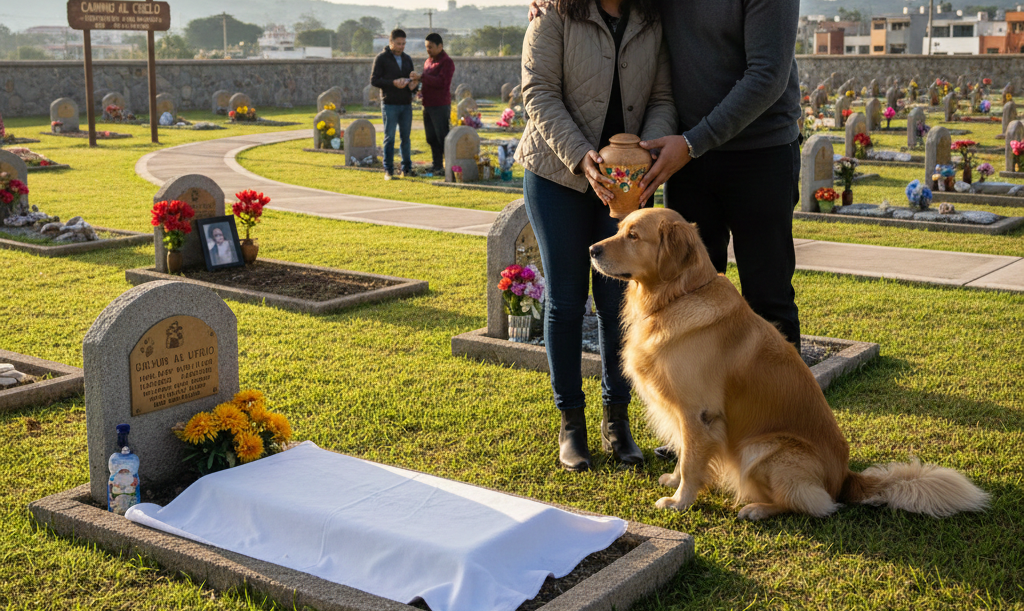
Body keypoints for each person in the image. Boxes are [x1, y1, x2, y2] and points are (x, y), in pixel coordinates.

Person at [531, 0, 803, 462]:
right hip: (678, 158)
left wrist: (683, 144)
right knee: (687, 297)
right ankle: (694, 431)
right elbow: (542, 84)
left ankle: (784, 432)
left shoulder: (654, 12)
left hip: (752, 150)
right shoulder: (614, 8)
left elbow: (765, 75)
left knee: (768, 294)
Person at [515, 0, 676, 472]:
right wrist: (583, 156)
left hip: (625, 182)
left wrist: (644, 155)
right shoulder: (553, 13)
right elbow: (538, 93)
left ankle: (617, 421)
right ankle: (571, 424)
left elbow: (664, 98)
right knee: (566, 300)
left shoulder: (651, 17)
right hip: (557, 175)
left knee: (616, 302)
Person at [371, 29, 418, 180]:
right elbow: (374, 80)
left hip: (406, 104)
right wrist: (392, 83)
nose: (401, 46)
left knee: (406, 138)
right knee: (389, 137)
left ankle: (407, 168)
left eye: (404, 44)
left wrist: (413, 85)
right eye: (398, 44)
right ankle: (388, 170)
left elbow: (412, 80)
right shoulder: (381, 58)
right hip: (390, 103)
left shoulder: (407, 59)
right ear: (390, 42)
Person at [418, 33, 455, 174]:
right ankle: (437, 165)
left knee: (442, 137)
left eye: (431, 47)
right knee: (431, 137)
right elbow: (427, 82)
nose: (428, 50)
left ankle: (450, 166)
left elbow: (442, 82)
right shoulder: (428, 62)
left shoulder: (447, 62)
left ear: (440, 46)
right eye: (426, 47)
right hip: (427, 104)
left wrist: (422, 77)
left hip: (440, 105)